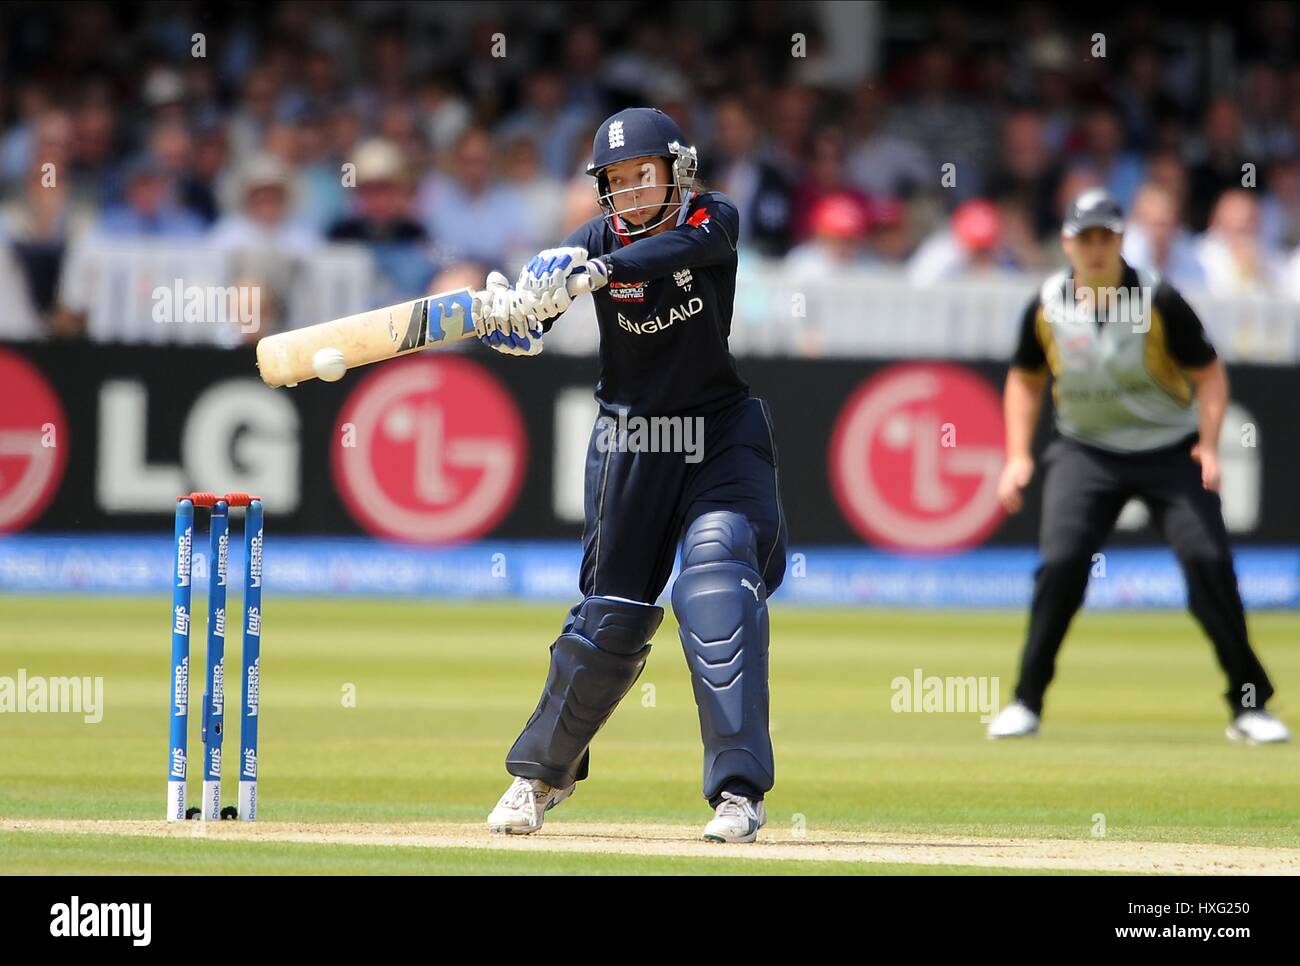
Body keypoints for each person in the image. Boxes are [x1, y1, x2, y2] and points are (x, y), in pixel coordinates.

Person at [472, 108, 787, 842]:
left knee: (717, 579)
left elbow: (682, 249)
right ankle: (542, 775)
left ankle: (737, 793)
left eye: (643, 174)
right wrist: (516, 318)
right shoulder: (591, 241)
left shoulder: (713, 218)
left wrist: (597, 271)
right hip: (633, 439)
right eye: (615, 180)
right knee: (609, 616)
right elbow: (537, 318)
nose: (630, 191)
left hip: (719, 433)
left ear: (678, 170)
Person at [989, 189, 1288, 744]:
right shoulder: (1047, 304)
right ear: (1067, 243)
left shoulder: (1159, 300)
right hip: (1085, 449)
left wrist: (1208, 445)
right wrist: (1017, 456)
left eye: (1105, 237)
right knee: (1061, 564)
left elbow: (1209, 376)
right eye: (1085, 238)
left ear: (1122, 240)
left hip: (1169, 450)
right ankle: (1026, 700)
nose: (1096, 249)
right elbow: (1025, 380)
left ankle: (1249, 706)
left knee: (1207, 562)